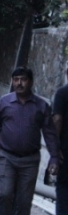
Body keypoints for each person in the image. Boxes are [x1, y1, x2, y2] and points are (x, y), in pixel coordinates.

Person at [0, 66, 60, 215]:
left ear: (31, 82)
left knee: (24, 201)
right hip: (6, 157)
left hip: (30, 161)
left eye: (23, 79)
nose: (19, 83)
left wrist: (54, 157)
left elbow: (49, 133)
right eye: (16, 80)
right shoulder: (4, 103)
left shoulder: (41, 105)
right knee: (5, 194)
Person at [52, 63, 68, 214]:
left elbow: (57, 120)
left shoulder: (62, 93)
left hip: (65, 151)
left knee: (63, 191)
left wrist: (54, 150)